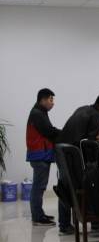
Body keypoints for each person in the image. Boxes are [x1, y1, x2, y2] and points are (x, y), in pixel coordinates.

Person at [58, 92, 99, 234]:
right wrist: (98, 142)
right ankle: (97, 222)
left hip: (62, 153)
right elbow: (88, 144)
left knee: (65, 188)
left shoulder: (82, 109)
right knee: (95, 183)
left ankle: (64, 224)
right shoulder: (97, 116)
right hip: (75, 157)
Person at [26, 88, 62, 227]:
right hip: (39, 155)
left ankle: (39, 214)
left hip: (41, 154)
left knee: (39, 186)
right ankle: (37, 217)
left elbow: (49, 130)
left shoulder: (40, 112)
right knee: (38, 187)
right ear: (43, 100)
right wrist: (65, 132)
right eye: (51, 99)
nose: (53, 103)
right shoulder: (37, 113)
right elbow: (49, 131)